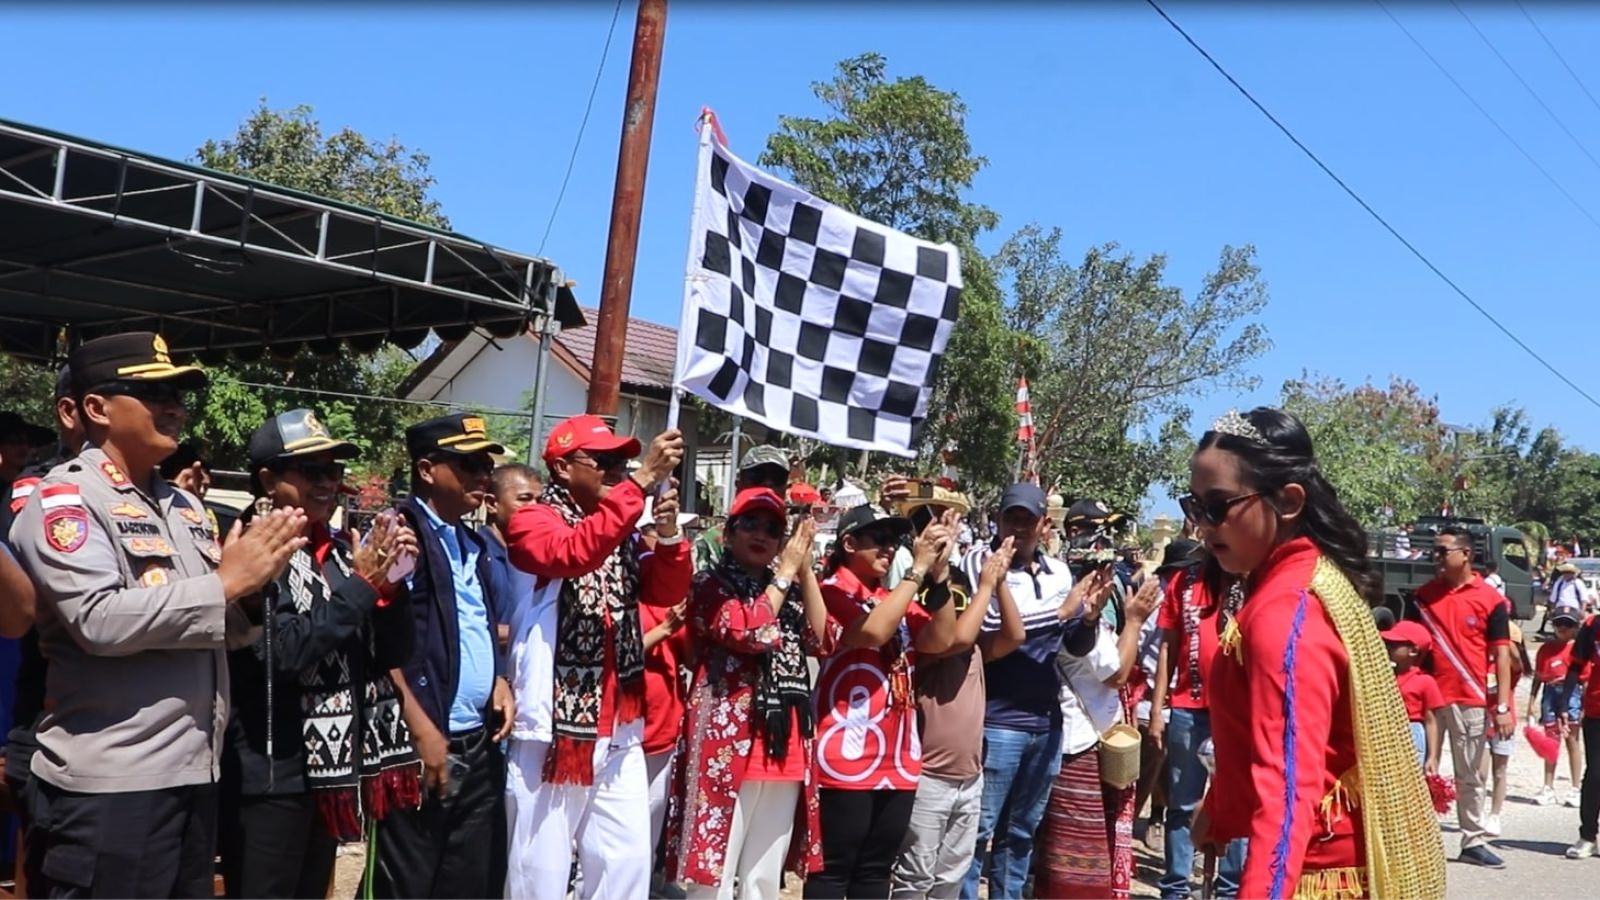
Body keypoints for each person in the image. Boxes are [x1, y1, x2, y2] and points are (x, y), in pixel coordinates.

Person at [12, 332, 307, 898]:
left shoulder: (187, 507)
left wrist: (248, 594)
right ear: (96, 408)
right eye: (154, 394)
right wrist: (225, 582)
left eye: (179, 395)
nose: (174, 408)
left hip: (195, 774)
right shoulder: (65, 501)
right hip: (112, 786)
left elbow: (224, 629)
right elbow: (97, 621)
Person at [1188, 408, 1444, 899]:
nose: (1204, 526)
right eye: (1195, 506)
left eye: (1219, 506)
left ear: (1287, 501)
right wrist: (1219, 809)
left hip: (1319, 875)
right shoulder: (1304, 580)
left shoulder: (1285, 610)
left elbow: (1288, 787)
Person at [218, 409, 421, 898]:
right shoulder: (251, 551)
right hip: (271, 770)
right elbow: (284, 653)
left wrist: (390, 585)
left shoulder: (343, 549)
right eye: (312, 471)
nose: (328, 482)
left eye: (335, 470)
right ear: (268, 479)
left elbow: (393, 652)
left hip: (331, 764)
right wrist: (362, 586)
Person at [502, 416, 692, 900]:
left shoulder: (620, 530)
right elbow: (573, 553)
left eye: (623, 462)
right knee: (539, 872)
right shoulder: (533, 520)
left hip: (620, 723)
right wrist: (641, 482)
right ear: (564, 469)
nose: (618, 470)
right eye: (605, 461)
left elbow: (665, 591)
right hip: (555, 729)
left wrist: (668, 536)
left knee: (624, 864)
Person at [666, 488, 836, 899]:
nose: (762, 535)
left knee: (763, 877)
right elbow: (747, 630)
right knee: (713, 876)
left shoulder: (789, 591)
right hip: (727, 743)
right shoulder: (710, 585)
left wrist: (805, 571)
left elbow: (824, 639)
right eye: (751, 525)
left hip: (783, 740)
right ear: (728, 534)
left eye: (774, 530)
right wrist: (784, 574)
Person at [374, 413, 515, 899]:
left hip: (477, 739)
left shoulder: (471, 540)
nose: (483, 475)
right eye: (468, 463)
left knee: (469, 879)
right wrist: (422, 730)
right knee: (410, 881)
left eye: (485, 464)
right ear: (428, 469)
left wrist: (498, 678)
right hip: (427, 740)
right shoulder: (399, 532)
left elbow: (477, 625)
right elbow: (378, 644)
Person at [805, 504, 961, 899]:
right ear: (849, 543)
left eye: (895, 541)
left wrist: (939, 576)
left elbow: (942, 640)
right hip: (846, 754)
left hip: (897, 758)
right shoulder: (831, 591)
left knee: (876, 872)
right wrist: (916, 571)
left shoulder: (891, 596)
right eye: (880, 540)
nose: (889, 548)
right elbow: (872, 632)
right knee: (833, 870)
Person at [889, 513, 1025, 900]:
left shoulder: (979, 649)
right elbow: (959, 637)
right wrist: (972, 582)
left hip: (969, 778)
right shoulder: (932, 649)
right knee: (916, 875)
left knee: (951, 875)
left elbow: (1016, 635)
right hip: (929, 777)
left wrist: (998, 586)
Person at [962, 483, 1085, 900]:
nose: (1018, 527)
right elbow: (996, 628)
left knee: (1021, 831)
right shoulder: (982, 560)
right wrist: (1061, 612)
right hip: (998, 717)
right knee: (978, 829)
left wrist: (1082, 620)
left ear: (1044, 525)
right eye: (1010, 517)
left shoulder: (1061, 572)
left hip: (1045, 720)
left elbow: (1069, 642)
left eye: (1027, 519)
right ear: (997, 520)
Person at [1034, 572, 1157, 899]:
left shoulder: (1077, 624)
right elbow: (1116, 674)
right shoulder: (1078, 628)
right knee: (1080, 852)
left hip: (1083, 742)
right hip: (1081, 745)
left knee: (1074, 844)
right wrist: (1133, 622)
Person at [1409, 523, 1513, 867]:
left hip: (1470, 699)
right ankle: (1416, 840)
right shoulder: (1423, 597)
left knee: (1470, 773)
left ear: (1465, 554)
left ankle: (1472, 839)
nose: (1435, 558)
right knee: (1422, 770)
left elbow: (1501, 656)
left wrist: (1502, 707)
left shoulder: (1491, 600)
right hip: (1427, 700)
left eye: (1443, 552)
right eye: (1434, 551)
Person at [1148, 538, 1245, 900]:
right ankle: (1175, 887)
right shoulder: (1184, 583)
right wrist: (1158, 710)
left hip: (1237, 713)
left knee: (1236, 803)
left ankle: (1230, 889)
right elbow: (1168, 647)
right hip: (1188, 707)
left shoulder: (1251, 580)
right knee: (1182, 803)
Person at [695, 445, 790, 572]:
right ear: (738, 485)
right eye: (757, 475)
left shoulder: (794, 549)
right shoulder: (709, 544)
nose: (768, 483)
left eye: (777, 477)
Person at [483, 463, 543, 649]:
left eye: (539, 500)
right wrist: (534, 633)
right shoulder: (475, 554)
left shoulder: (538, 557)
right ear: (492, 504)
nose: (535, 508)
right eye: (524, 499)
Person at [1531, 612, 1584, 808]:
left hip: (1572, 693)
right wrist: (1532, 702)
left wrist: (1584, 706)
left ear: (1575, 628)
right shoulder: (1546, 649)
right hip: (1550, 691)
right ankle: (1548, 786)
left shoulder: (1577, 649)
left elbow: (1584, 678)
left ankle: (1575, 787)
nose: (1562, 628)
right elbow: (1538, 676)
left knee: (1572, 740)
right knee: (1550, 741)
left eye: (1567, 624)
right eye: (1559, 623)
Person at [1560, 611, 1600, 857]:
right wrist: (1564, 703)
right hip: (1597, 710)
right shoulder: (1593, 625)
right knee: (1596, 773)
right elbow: (1576, 664)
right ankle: (1587, 836)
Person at [1378, 620, 1443, 770]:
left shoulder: (1425, 681)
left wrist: (1433, 756)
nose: (1388, 648)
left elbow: (1431, 721)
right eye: (1387, 643)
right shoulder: (1386, 676)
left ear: (1413, 651)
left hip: (1412, 732)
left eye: (1394, 645)